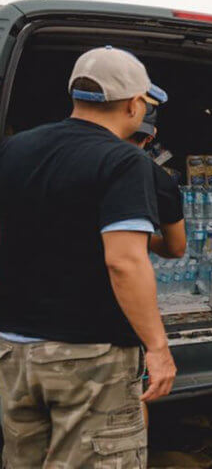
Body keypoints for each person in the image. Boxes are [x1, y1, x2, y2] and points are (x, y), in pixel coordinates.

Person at [0, 46, 175, 467]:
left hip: (12, 352)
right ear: (135, 104)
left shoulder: (13, 149)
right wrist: (157, 347)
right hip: (88, 356)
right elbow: (125, 261)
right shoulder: (124, 160)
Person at [126, 104, 186, 258]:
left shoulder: (85, 158)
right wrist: (142, 238)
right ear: (151, 136)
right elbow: (176, 248)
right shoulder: (161, 180)